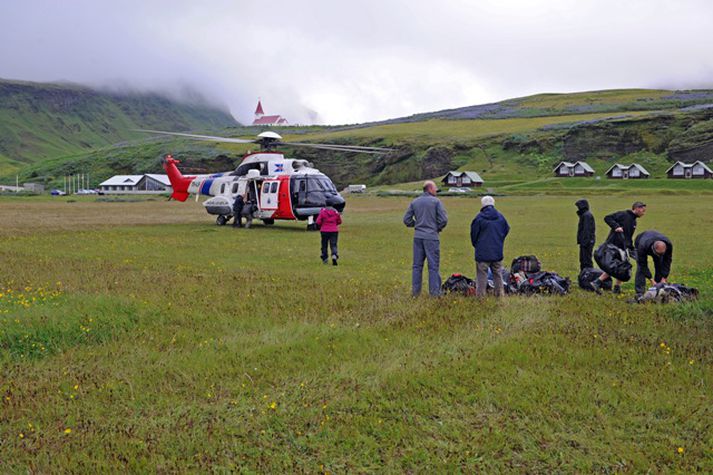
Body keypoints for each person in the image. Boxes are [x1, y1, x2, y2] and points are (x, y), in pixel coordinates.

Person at [403, 180, 448, 297]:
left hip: (418, 237)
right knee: (433, 266)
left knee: (417, 266)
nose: (436, 191)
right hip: (431, 237)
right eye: (435, 189)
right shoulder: (436, 202)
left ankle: (415, 293)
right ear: (430, 189)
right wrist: (436, 228)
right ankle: (434, 294)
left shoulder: (415, 202)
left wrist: (417, 225)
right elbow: (443, 220)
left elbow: (406, 220)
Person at [591, 201, 647, 294]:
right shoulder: (623, 214)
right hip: (614, 246)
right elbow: (608, 218)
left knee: (620, 267)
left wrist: (631, 248)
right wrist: (616, 227)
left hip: (623, 247)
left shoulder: (634, 221)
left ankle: (609, 286)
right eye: (643, 211)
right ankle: (600, 283)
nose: (643, 213)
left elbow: (628, 236)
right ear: (636, 208)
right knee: (619, 267)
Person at [470, 195, 510, 297]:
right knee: (498, 274)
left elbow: (473, 234)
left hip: (482, 252)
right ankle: (500, 295)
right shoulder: (501, 217)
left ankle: (481, 297)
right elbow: (506, 229)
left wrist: (477, 245)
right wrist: (498, 240)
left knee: (481, 275)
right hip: (497, 251)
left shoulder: (478, 218)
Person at [634, 230, 673, 296]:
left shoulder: (669, 245)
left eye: (662, 254)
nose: (660, 256)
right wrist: (651, 279)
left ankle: (658, 288)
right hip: (640, 241)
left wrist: (664, 277)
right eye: (658, 254)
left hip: (654, 240)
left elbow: (667, 262)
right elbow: (643, 264)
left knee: (660, 264)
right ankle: (639, 292)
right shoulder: (643, 246)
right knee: (640, 268)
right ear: (653, 249)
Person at [575, 199, 595, 270]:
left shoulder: (587, 216)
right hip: (586, 241)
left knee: (586, 260)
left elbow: (587, 230)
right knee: (583, 259)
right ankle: (584, 275)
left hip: (586, 241)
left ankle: (588, 275)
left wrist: (585, 242)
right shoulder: (585, 215)